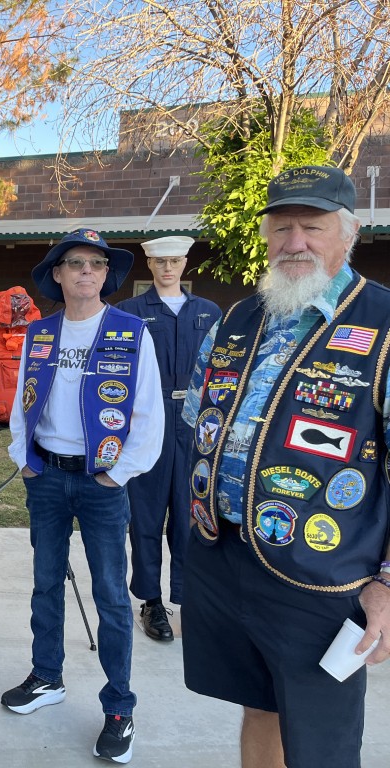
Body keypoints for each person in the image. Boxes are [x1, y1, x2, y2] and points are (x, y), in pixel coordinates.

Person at [181, 165, 390, 768]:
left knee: (320, 739)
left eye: (312, 226)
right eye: (280, 227)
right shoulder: (238, 318)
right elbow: (198, 413)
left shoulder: (383, 325)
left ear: (349, 234)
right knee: (260, 706)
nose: (293, 243)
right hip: (227, 558)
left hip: (321, 578)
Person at [3, 229, 164, 764]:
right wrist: (23, 458)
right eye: (75, 263)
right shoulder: (40, 333)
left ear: (106, 275)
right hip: (46, 477)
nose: (87, 272)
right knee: (45, 584)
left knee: (112, 599)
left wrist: (120, 475)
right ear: (58, 273)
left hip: (101, 484)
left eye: (97, 263)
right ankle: (47, 676)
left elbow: (147, 412)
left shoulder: (130, 331)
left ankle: (119, 705)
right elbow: (25, 401)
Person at [116, 237, 221, 641]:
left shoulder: (209, 313)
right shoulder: (130, 313)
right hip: (148, 419)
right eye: (160, 262)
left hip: (196, 423)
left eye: (175, 261)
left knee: (190, 512)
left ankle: (187, 598)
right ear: (150, 264)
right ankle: (151, 601)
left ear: (185, 262)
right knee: (144, 513)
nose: (167, 268)